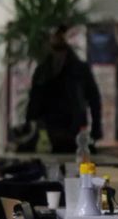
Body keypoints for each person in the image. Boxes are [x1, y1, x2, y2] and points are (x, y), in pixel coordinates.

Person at [26, 24, 103, 152]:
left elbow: (94, 99)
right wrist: (30, 127)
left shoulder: (79, 69)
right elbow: (34, 100)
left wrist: (96, 129)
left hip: (73, 130)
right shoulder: (42, 70)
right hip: (47, 131)